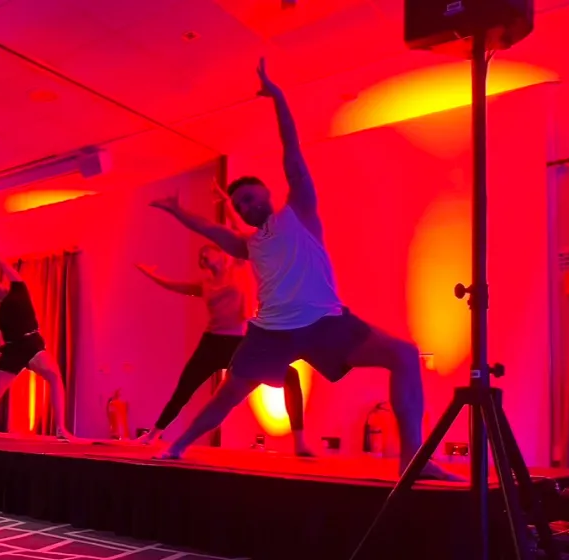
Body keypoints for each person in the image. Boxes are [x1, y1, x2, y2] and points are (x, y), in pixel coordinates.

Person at [148, 59, 453, 479]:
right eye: (240, 205)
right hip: (271, 331)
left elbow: (291, 150)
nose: (248, 206)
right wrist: (177, 211)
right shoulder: (247, 244)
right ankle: (178, 445)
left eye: (252, 198)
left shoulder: (301, 210)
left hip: (327, 322)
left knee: (403, 354)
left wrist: (278, 98)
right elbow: (209, 228)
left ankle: (412, 461)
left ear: (268, 194)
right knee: (227, 396)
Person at [135, 215, 312, 456]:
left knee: (289, 377)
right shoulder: (204, 284)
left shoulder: (238, 268)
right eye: (201, 257)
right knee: (185, 387)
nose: (205, 257)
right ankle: (154, 434)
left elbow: (243, 236)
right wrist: (151, 275)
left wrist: (229, 208)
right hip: (212, 343)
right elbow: (172, 286)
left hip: (240, 342)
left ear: (221, 254)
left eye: (209, 252)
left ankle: (299, 443)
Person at [0, 249, 75, 440]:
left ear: (6, 287)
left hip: (31, 343)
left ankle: (61, 427)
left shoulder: (19, 291)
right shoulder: (0, 312)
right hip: (13, 349)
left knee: (54, 376)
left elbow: (10, 272)